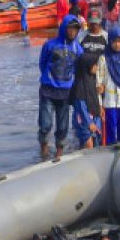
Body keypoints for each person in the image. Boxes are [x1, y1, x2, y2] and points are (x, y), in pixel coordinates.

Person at [37, 15, 84, 159]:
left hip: (65, 93)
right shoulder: (50, 45)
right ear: (64, 28)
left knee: (63, 126)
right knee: (45, 124)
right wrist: (49, 79)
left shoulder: (78, 49)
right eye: (70, 29)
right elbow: (42, 64)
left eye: (75, 29)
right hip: (48, 90)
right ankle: (44, 147)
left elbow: (79, 69)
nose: (72, 32)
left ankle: (59, 151)